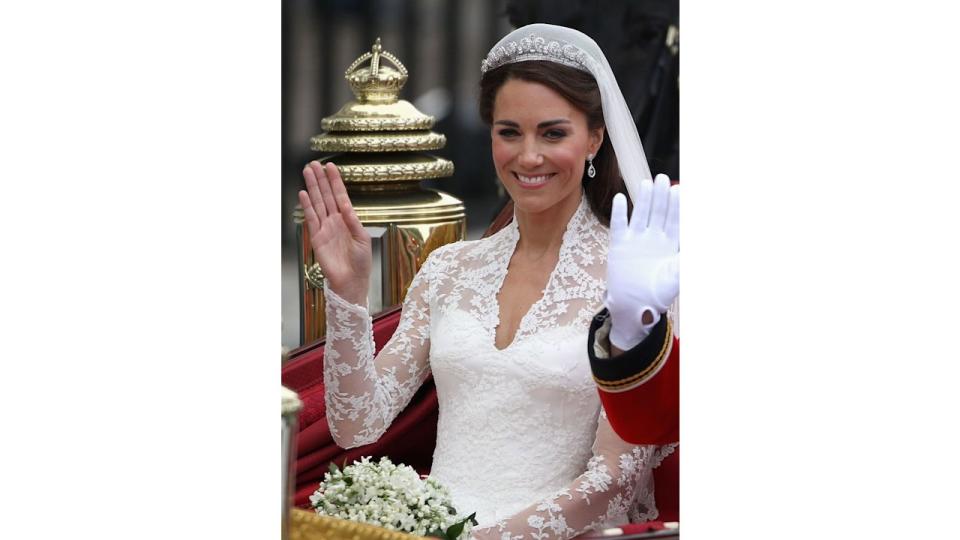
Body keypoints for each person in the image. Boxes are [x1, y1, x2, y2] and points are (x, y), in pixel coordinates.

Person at [297, 23, 679, 539]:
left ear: (594, 137)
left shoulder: (635, 278)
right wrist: (347, 294)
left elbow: (614, 481)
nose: (528, 156)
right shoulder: (449, 269)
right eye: (509, 132)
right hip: (436, 526)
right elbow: (355, 425)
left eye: (553, 132)